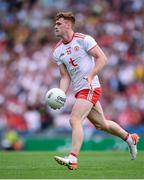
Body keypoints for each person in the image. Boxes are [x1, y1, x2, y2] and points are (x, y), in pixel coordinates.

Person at [52, 11, 139, 170]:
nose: (55, 26)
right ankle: (129, 139)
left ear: (68, 24)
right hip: (79, 90)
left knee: (74, 119)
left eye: (59, 23)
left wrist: (91, 76)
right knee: (101, 124)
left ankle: (73, 158)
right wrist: (60, 94)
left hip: (90, 87)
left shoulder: (84, 40)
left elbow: (102, 58)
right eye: (55, 23)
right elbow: (65, 77)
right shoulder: (57, 51)